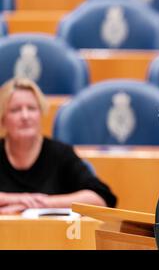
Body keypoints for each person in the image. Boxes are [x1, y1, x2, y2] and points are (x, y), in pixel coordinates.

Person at [0, 78, 117, 215]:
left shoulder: (60, 154)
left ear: (40, 114)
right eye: (15, 110)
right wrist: (18, 199)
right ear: (2, 119)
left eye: (31, 108)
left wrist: (42, 204)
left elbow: (101, 198)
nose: (25, 116)